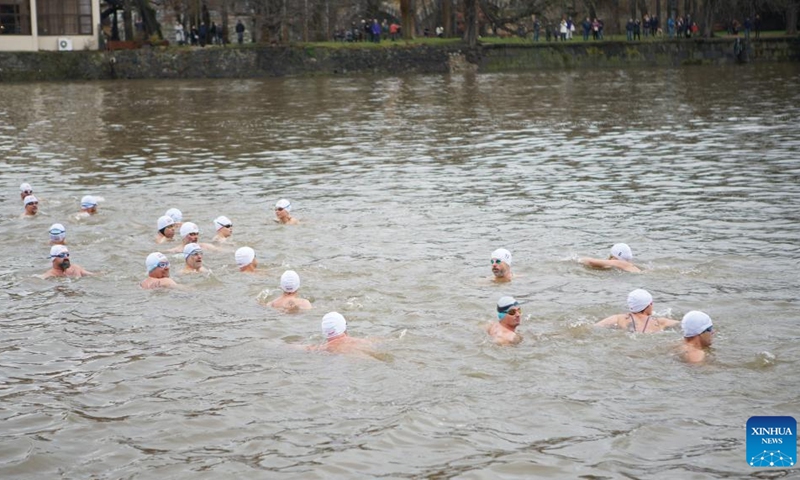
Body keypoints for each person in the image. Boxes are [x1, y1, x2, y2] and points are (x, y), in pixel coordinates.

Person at [595, 289, 680, 333]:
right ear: (648, 305)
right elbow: (686, 325)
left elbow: (594, 327)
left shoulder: (619, 318)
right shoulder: (660, 322)